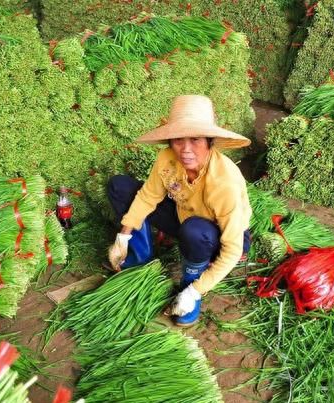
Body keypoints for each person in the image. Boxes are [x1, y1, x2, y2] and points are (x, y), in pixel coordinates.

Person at [107, 95, 252, 326]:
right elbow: (148, 196)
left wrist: (195, 291)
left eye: (195, 139)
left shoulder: (224, 182)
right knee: (120, 186)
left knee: (195, 231)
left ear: (209, 141)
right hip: (183, 216)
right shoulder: (167, 159)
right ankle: (137, 257)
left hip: (216, 235)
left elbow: (232, 250)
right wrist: (123, 235)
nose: (185, 149)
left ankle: (189, 285)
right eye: (177, 140)